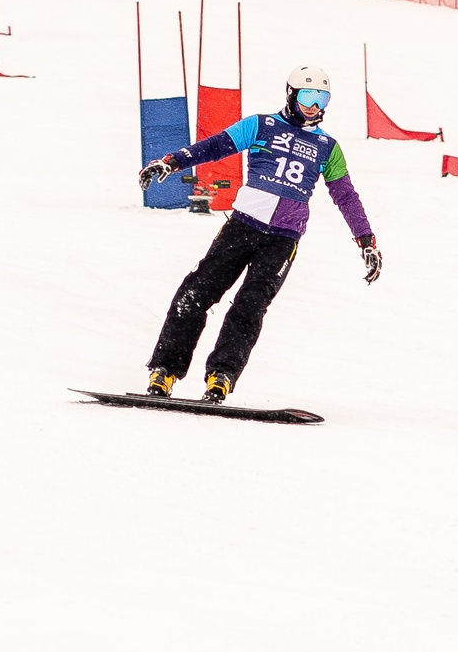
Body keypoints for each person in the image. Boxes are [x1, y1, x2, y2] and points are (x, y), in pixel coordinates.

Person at [136, 63, 381, 401]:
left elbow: (345, 196)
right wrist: (172, 161)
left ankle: (220, 377)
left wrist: (366, 241)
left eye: (322, 99)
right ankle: (164, 370)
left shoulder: (328, 147)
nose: (315, 106)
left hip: (282, 241)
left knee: (249, 309)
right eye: (308, 96)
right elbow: (215, 146)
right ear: (292, 94)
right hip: (242, 227)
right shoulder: (261, 125)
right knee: (196, 293)